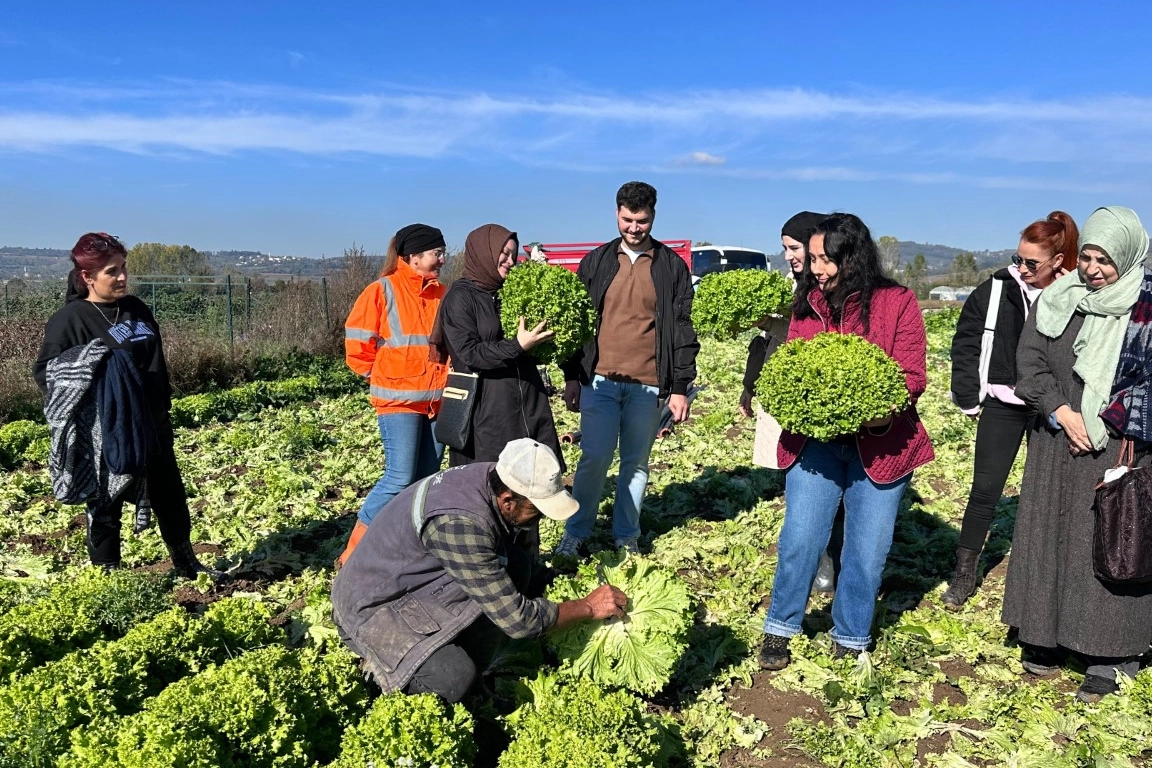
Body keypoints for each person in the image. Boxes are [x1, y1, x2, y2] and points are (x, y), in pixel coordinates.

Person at [758, 213, 934, 669]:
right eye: (812, 257)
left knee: (866, 549)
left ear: (850, 256)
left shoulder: (898, 302)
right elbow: (791, 365)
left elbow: (913, 374)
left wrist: (879, 412)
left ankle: (851, 633)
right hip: (816, 444)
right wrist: (797, 400)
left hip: (882, 445)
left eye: (824, 258)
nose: (815, 268)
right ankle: (781, 626)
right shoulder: (809, 303)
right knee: (800, 537)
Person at [331, 438, 628, 703]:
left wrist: (561, 582)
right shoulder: (460, 524)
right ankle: (384, 676)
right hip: (370, 609)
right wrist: (588, 607)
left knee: (518, 565)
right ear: (508, 500)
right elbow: (519, 621)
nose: (540, 520)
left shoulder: (491, 476)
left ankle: (476, 680)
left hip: (408, 581)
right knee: (452, 678)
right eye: (536, 510)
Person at [1003, 205, 1152, 704]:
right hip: (1056, 441)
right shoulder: (1058, 299)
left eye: (1104, 260)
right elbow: (1030, 361)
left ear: (1129, 258)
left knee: (1110, 542)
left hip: (1119, 448)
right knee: (1051, 536)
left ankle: (1108, 655)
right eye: (1086, 257)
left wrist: (1105, 422)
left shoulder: (1145, 309)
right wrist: (1062, 412)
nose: (1092, 269)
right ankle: (1043, 635)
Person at [33, 232, 221, 579]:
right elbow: (47, 373)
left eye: (123, 268)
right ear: (87, 277)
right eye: (111, 271)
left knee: (170, 495)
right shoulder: (71, 320)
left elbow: (154, 360)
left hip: (152, 422)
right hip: (106, 430)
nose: (122, 277)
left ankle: (186, 562)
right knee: (105, 504)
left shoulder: (135, 308)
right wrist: (94, 367)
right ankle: (108, 576)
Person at [555, 181, 700, 556]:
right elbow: (576, 322)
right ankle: (577, 530)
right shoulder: (597, 261)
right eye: (627, 219)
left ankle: (626, 534)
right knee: (594, 458)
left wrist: (681, 386)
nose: (634, 228)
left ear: (653, 217)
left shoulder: (670, 267)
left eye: (642, 220)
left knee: (636, 464)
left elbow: (685, 328)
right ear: (616, 214)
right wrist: (572, 375)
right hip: (599, 380)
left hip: (649, 385)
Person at [944, 212, 1078, 608]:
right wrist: (969, 396)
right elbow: (965, 341)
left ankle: (1052, 575)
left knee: (1052, 494)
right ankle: (964, 573)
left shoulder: (1076, 293)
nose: (1021, 268)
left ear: (1057, 260)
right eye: (1017, 258)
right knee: (985, 489)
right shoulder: (996, 289)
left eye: (1031, 262)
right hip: (1004, 404)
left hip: (1052, 408)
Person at [739, 211, 840, 594]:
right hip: (783, 392)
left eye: (795, 248)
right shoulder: (785, 285)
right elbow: (763, 343)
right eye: (785, 249)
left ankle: (829, 560)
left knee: (826, 483)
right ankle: (811, 560)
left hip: (817, 395)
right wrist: (750, 385)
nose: (790, 256)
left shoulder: (827, 287)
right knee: (795, 480)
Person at [339, 224, 449, 566]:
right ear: (413, 257)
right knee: (399, 477)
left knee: (425, 481)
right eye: (436, 253)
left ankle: (405, 549)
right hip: (398, 402)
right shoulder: (381, 290)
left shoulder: (443, 294)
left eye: (442, 252)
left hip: (436, 402)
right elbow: (357, 345)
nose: (442, 259)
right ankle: (354, 552)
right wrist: (381, 372)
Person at [432, 223, 562, 468]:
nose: (511, 262)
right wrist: (517, 346)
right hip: (486, 407)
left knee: (533, 475)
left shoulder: (511, 291)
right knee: (493, 479)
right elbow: (469, 353)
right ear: (484, 252)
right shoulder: (460, 298)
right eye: (504, 255)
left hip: (528, 397)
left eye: (514, 255)